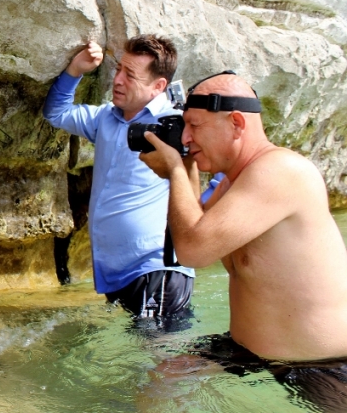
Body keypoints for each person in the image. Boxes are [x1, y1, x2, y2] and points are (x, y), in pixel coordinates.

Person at [139, 72, 347, 409]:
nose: (186, 137)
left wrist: (177, 169)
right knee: (165, 381)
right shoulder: (233, 183)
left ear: (236, 123)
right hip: (248, 349)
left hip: (325, 362)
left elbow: (193, 250)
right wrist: (186, 168)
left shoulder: (280, 170)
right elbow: (194, 227)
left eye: (195, 126)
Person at [43, 35, 194, 320]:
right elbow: (57, 113)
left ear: (158, 86)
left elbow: (220, 168)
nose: (118, 80)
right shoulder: (106, 119)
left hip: (157, 268)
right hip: (117, 274)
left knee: (160, 358)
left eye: (130, 75)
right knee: (139, 360)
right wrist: (75, 70)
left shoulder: (175, 125)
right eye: (118, 70)